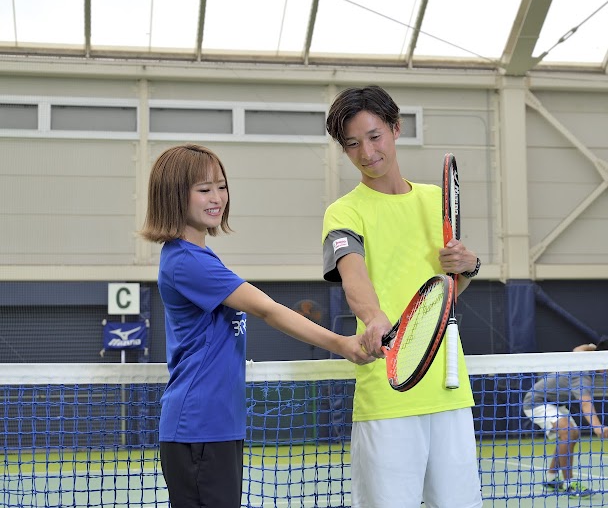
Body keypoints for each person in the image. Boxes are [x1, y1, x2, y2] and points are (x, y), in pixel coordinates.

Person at [140, 143, 373, 508]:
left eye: (221, 186)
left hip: (217, 426)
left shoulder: (199, 256)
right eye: (204, 190)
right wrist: (343, 344)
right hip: (199, 428)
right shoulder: (188, 262)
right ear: (173, 197)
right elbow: (269, 310)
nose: (218, 197)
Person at [321, 85, 483, 508]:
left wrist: (467, 266)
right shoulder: (344, 212)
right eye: (352, 144)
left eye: (374, 136)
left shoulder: (436, 200)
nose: (367, 151)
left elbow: (446, 293)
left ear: (396, 128)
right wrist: (374, 317)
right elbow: (353, 273)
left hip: (449, 388)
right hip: (387, 390)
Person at [529, 339, 608, 497]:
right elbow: (586, 404)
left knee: (573, 434)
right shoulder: (582, 375)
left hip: (556, 403)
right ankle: (569, 484)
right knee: (569, 432)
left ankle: (551, 479)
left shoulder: (582, 356)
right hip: (536, 402)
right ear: (602, 359)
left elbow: (577, 348)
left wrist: (592, 348)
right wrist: (598, 427)